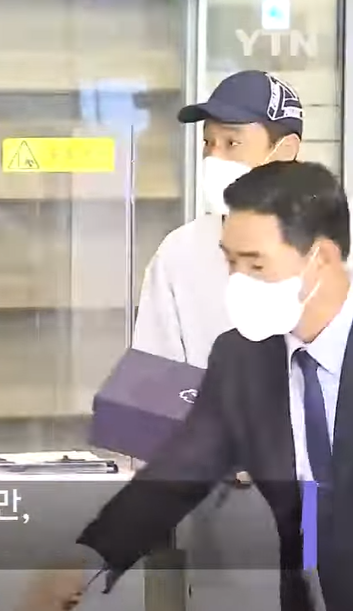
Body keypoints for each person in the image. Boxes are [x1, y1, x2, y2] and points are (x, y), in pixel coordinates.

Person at [31, 161, 352, 611]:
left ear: (322, 258)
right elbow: (181, 470)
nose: (237, 283)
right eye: (231, 263)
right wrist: (89, 560)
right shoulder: (242, 357)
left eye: (256, 264)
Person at [133, 70, 303, 367]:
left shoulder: (335, 247)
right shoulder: (180, 252)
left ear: (285, 151)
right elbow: (155, 377)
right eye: (208, 143)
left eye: (231, 143)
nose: (214, 157)